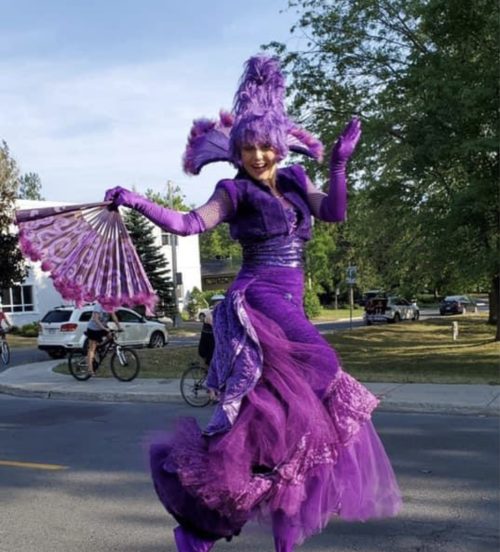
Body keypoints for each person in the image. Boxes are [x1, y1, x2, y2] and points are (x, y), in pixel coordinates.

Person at [105, 55, 401, 552]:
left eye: (265, 146)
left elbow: (334, 212)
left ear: (279, 145)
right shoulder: (234, 191)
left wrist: (339, 164)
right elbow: (188, 224)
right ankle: (263, 466)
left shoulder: (295, 180)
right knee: (324, 363)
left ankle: (216, 522)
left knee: (282, 418)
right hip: (258, 295)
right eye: (248, 147)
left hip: (291, 301)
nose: (258, 155)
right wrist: (137, 200)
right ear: (238, 150)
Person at [86, 302, 121, 375]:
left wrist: (119, 327)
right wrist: (104, 328)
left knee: (111, 337)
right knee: (92, 349)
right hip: (93, 329)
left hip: (102, 327)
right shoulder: (98, 305)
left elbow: (114, 317)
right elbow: (95, 319)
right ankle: (90, 369)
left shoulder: (110, 306)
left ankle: (100, 346)